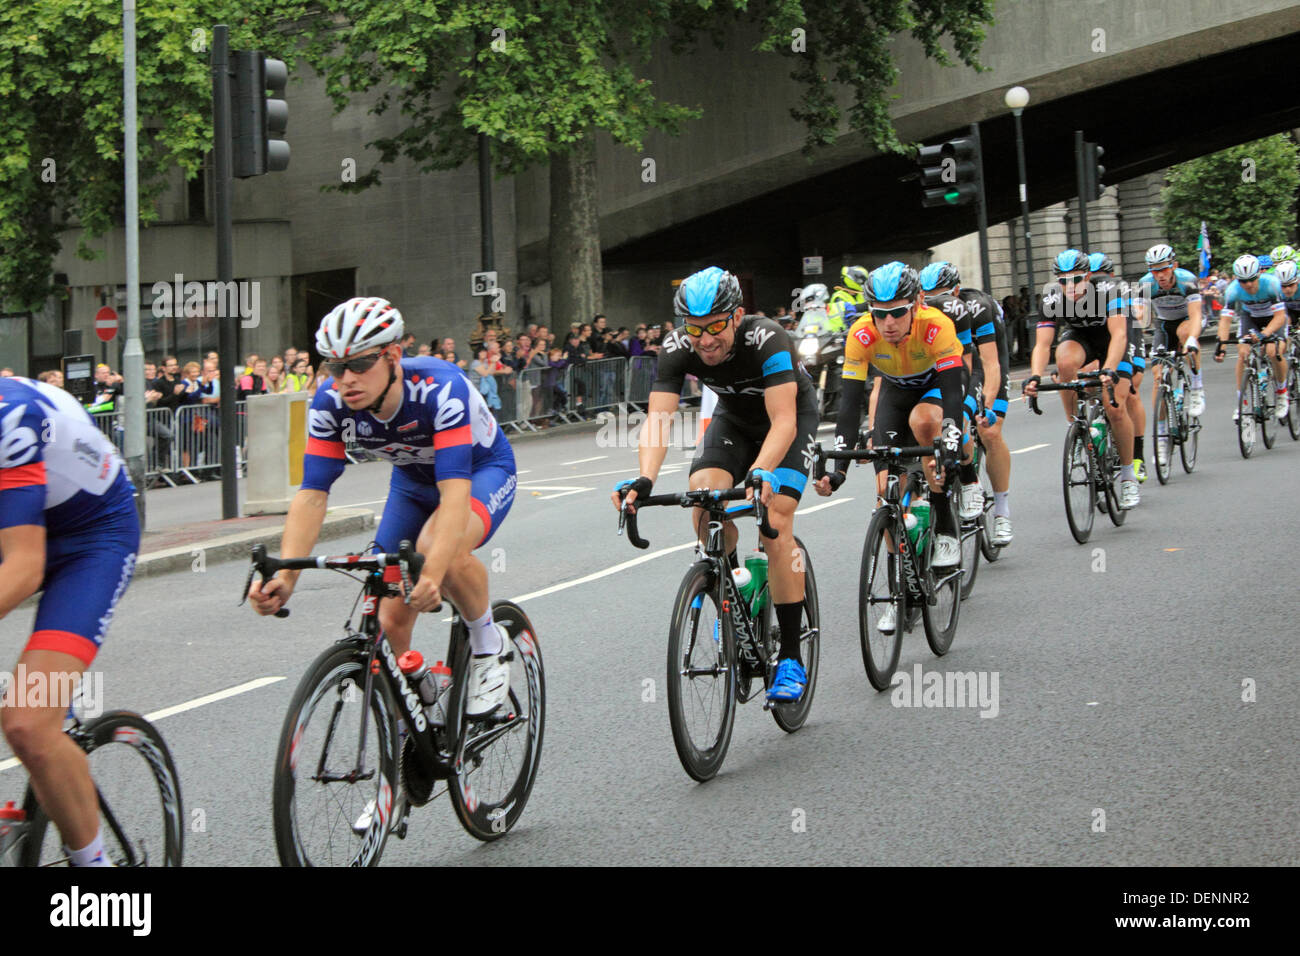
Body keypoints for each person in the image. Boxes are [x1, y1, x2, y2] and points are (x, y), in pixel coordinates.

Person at [247, 296, 518, 723]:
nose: (346, 380)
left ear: (392, 356)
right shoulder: (330, 403)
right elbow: (313, 494)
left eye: (358, 364)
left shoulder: (439, 388)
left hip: (479, 474)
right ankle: (419, 722)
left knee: (436, 554)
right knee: (390, 617)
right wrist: (286, 577)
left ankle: (488, 644)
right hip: (411, 485)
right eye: (335, 368)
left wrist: (431, 574)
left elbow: (453, 495)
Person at [616, 266, 819, 703]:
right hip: (734, 422)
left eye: (715, 327)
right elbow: (657, 420)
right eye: (695, 329)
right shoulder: (676, 346)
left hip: (788, 422)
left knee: (776, 520)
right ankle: (736, 588)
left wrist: (761, 470)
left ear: (738, 315)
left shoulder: (767, 338)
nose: (705, 340)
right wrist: (645, 478)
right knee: (704, 502)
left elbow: (783, 420)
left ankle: (789, 657)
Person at [0, 373, 140, 866]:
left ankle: (94, 871)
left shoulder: (9, 417)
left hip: (90, 540)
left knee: (26, 722)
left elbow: (22, 565)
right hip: (16, 526)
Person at [816, 262, 966, 638]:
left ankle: (945, 523)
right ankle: (898, 591)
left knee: (929, 425)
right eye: (879, 314)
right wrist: (839, 468)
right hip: (896, 391)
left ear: (916, 302)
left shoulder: (936, 325)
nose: (889, 323)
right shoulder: (861, 335)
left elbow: (952, 394)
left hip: (935, 387)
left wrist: (950, 439)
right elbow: (848, 406)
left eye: (898, 312)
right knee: (886, 493)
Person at [1024, 249, 1140, 509]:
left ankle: (1128, 475)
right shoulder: (1053, 296)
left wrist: (1109, 369)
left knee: (1115, 409)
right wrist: (1034, 376)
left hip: (1112, 340)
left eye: (1076, 279)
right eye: (1064, 281)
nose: (1071, 287)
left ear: (1088, 276)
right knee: (1064, 362)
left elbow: (1120, 335)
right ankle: (1075, 424)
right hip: (1080, 337)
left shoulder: (1109, 290)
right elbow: (1043, 345)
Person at [918, 261, 1014, 545]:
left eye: (943, 294)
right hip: (948, 364)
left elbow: (991, 364)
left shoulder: (978, 307)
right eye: (928, 295)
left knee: (988, 431)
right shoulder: (921, 314)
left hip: (983, 363)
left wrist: (986, 405)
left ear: (957, 291)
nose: (936, 301)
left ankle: (1001, 511)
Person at [1089, 252, 1149, 483]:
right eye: (1093, 277)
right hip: (1101, 336)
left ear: (1111, 275)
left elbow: (1140, 318)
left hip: (1128, 333)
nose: (1098, 281)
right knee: (1090, 380)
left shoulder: (1123, 287)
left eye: (1101, 276)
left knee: (1130, 391)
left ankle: (1137, 457)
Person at [1132, 244, 1207, 418]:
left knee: (1184, 334)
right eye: (1154, 270)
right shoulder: (1145, 284)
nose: (1159, 275)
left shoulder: (1187, 280)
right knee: (1158, 377)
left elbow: (1195, 314)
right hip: (1164, 325)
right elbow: (1140, 316)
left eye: (1164, 269)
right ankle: (1162, 431)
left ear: (1174, 266)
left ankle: (1196, 388)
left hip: (1188, 321)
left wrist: (1191, 340)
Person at [1215, 254, 1288, 422]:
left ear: (1259, 275)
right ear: (1237, 279)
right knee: (1243, 353)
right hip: (1250, 317)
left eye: (1251, 280)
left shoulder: (1272, 284)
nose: (1248, 284)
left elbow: (1279, 317)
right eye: (1243, 281)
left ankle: (1282, 392)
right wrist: (1221, 347)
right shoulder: (1233, 290)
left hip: (1273, 318)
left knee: (1273, 351)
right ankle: (1243, 401)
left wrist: (1264, 335)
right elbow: (1225, 320)